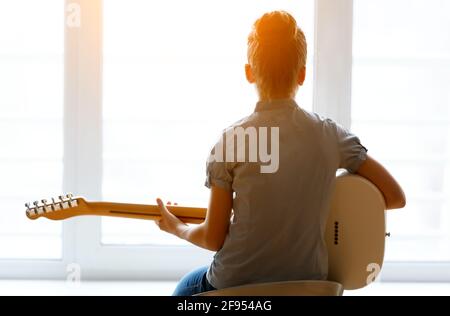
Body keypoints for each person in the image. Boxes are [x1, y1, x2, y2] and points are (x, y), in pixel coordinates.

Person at [155, 10, 406, 296]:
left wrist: (176, 227)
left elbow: (213, 238)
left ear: (249, 72)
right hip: (308, 286)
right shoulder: (330, 136)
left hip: (235, 286)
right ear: (302, 74)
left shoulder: (232, 140)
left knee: (185, 290)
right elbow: (395, 197)